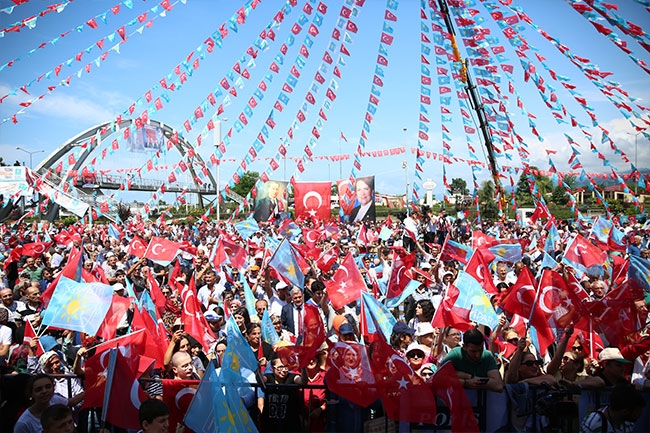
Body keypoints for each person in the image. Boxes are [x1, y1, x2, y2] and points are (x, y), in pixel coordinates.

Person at [441, 328, 504, 392]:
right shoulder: (455, 354)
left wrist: (460, 376)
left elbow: (498, 385)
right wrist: (466, 382)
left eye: (480, 350)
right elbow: (439, 378)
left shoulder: (487, 356)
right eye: (473, 351)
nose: (478, 355)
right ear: (464, 347)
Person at [579, 383, 645, 433]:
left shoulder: (628, 423)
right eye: (637, 411)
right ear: (625, 412)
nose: (640, 414)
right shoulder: (594, 422)